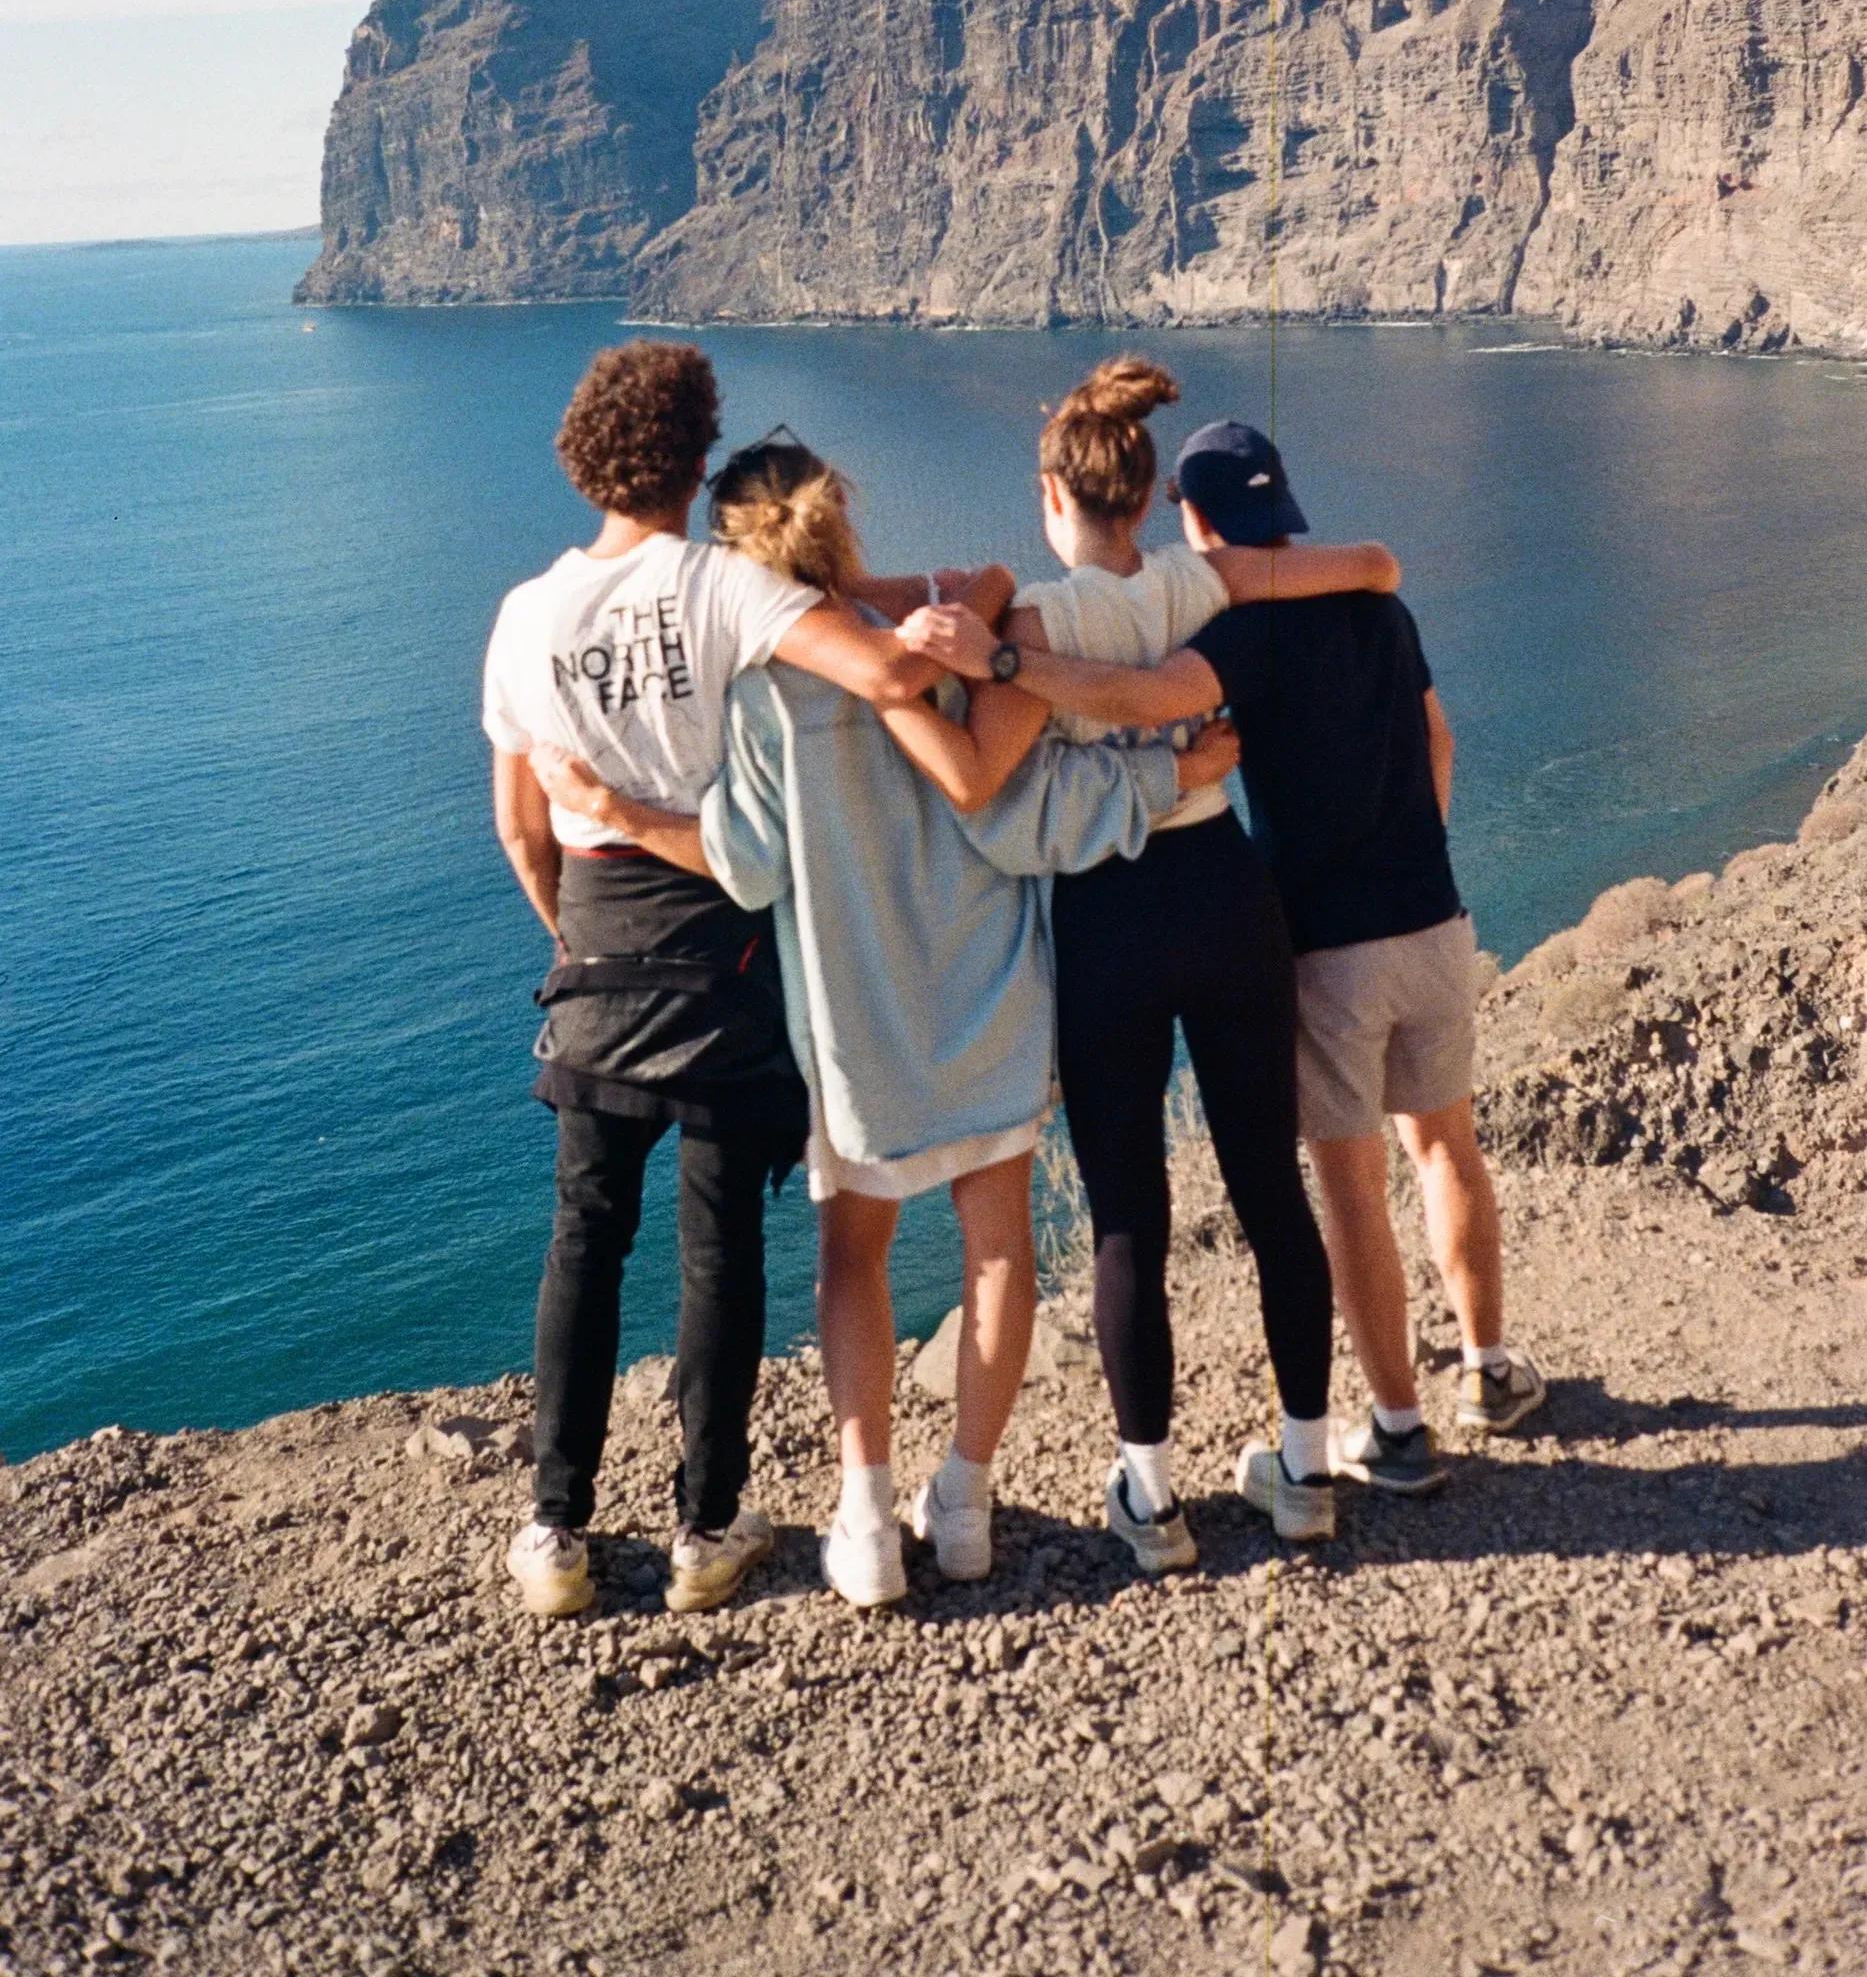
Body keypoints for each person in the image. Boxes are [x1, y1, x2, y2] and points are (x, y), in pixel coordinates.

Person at [535, 432, 1243, 1607]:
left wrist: (609, 810)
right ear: (842, 517)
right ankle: (962, 1503)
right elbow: (1025, 807)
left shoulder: (765, 691)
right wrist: (1164, 780)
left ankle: (864, 1527)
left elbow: (744, 866)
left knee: (851, 1256)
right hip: (988, 986)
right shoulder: (952, 651)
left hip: (855, 1014)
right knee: (998, 1242)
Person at [920, 414, 1546, 1496]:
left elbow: (1071, 734)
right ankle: (1412, 1410)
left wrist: (995, 656)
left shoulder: (1152, 625)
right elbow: (1422, 698)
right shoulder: (1308, 600)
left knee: (1163, 1210)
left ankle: (1200, 1478)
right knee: (1365, 1170)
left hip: (1187, 924)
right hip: (1353, 911)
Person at [902, 358, 1403, 1572]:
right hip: (1231, 898)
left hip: (1112, 919)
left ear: (1052, 495)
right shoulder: (1209, 581)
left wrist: (919, 667)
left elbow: (979, 788)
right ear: (1143, 492)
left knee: (1130, 1217)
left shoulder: (1034, 629)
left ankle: (1153, 1499)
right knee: (1270, 1190)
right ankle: (1302, 1469)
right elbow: (1375, 565)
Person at [484, 343, 958, 1620]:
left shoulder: (527, 616)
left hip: (593, 946)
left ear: (588, 457)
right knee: (722, 1245)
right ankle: (706, 1528)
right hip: (726, 941)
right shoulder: (727, 588)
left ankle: (555, 1531)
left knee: (583, 1236)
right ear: (700, 463)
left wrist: (573, 939)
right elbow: (894, 675)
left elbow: (523, 827)